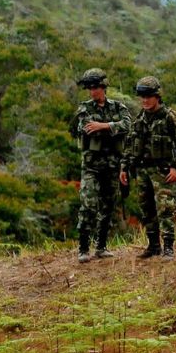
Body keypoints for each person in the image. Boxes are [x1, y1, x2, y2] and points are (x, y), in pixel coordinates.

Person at [119, 76, 176, 259]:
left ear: (157, 96)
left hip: (162, 172)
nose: (144, 100)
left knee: (165, 210)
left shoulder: (170, 118)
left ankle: (168, 247)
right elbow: (129, 146)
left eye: (148, 96)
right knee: (146, 209)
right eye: (142, 96)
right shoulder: (140, 119)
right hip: (142, 171)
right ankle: (153, 246)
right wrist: (124, 168)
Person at [69, 68, 132, 263]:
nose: (92, 91)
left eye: (95, 87)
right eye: (89, 87)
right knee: (88, 204)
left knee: (108, 206)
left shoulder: (118, 107)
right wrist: (113, 127)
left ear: (103, 87)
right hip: (91, 166)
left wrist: (104, 126)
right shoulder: (85, 108)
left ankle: (101, 246)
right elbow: (86, 128)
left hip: (112, 165)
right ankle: (83, 248)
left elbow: (128, 125)